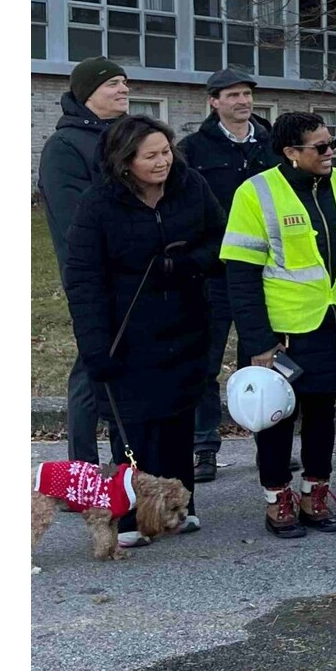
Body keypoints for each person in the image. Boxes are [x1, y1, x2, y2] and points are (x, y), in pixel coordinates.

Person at [219, 112, 336, 539]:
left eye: (332, 144)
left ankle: (315, 492)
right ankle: (278, 498)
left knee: (322, 413)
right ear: (291, 152)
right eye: (321, 147)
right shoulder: (256, 194)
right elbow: (240, 275)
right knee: (274, 419)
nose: (331, 153)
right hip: (284, 329)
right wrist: (259, 340)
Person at [62, 114, 222, 545]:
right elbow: (82, 279)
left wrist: (188, 264)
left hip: (185, 322)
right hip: (126, 330)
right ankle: (131, 514)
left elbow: (219, 240)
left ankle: (176, 508)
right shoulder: (99, 204)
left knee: (176, 420)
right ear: (124, 160)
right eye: (149, 156)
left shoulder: (192, 188)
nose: (161, 162)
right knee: (133, 425)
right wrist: (94, 347)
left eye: (165, 152)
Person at [177, 68, 278, 482]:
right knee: (206, 363)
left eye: (247, 94)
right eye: (233, 94)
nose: (243, 101)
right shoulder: (193, 150)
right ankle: (204, 447)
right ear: (214, 101)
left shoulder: (273, 145)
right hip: (214, 275)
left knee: (262, 361)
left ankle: (268, 444)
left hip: (264, 272)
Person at [40, 55, 131, 469]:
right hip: (92, 277)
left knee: (126, 367)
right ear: (87, 93)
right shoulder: (65, 146)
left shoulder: (126, 137)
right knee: (90, 367)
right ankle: (82, 467)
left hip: (135, 273)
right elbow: (73, 218)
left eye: (125, 82)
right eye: (113, 83)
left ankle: (125, 466)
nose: (123, 89)